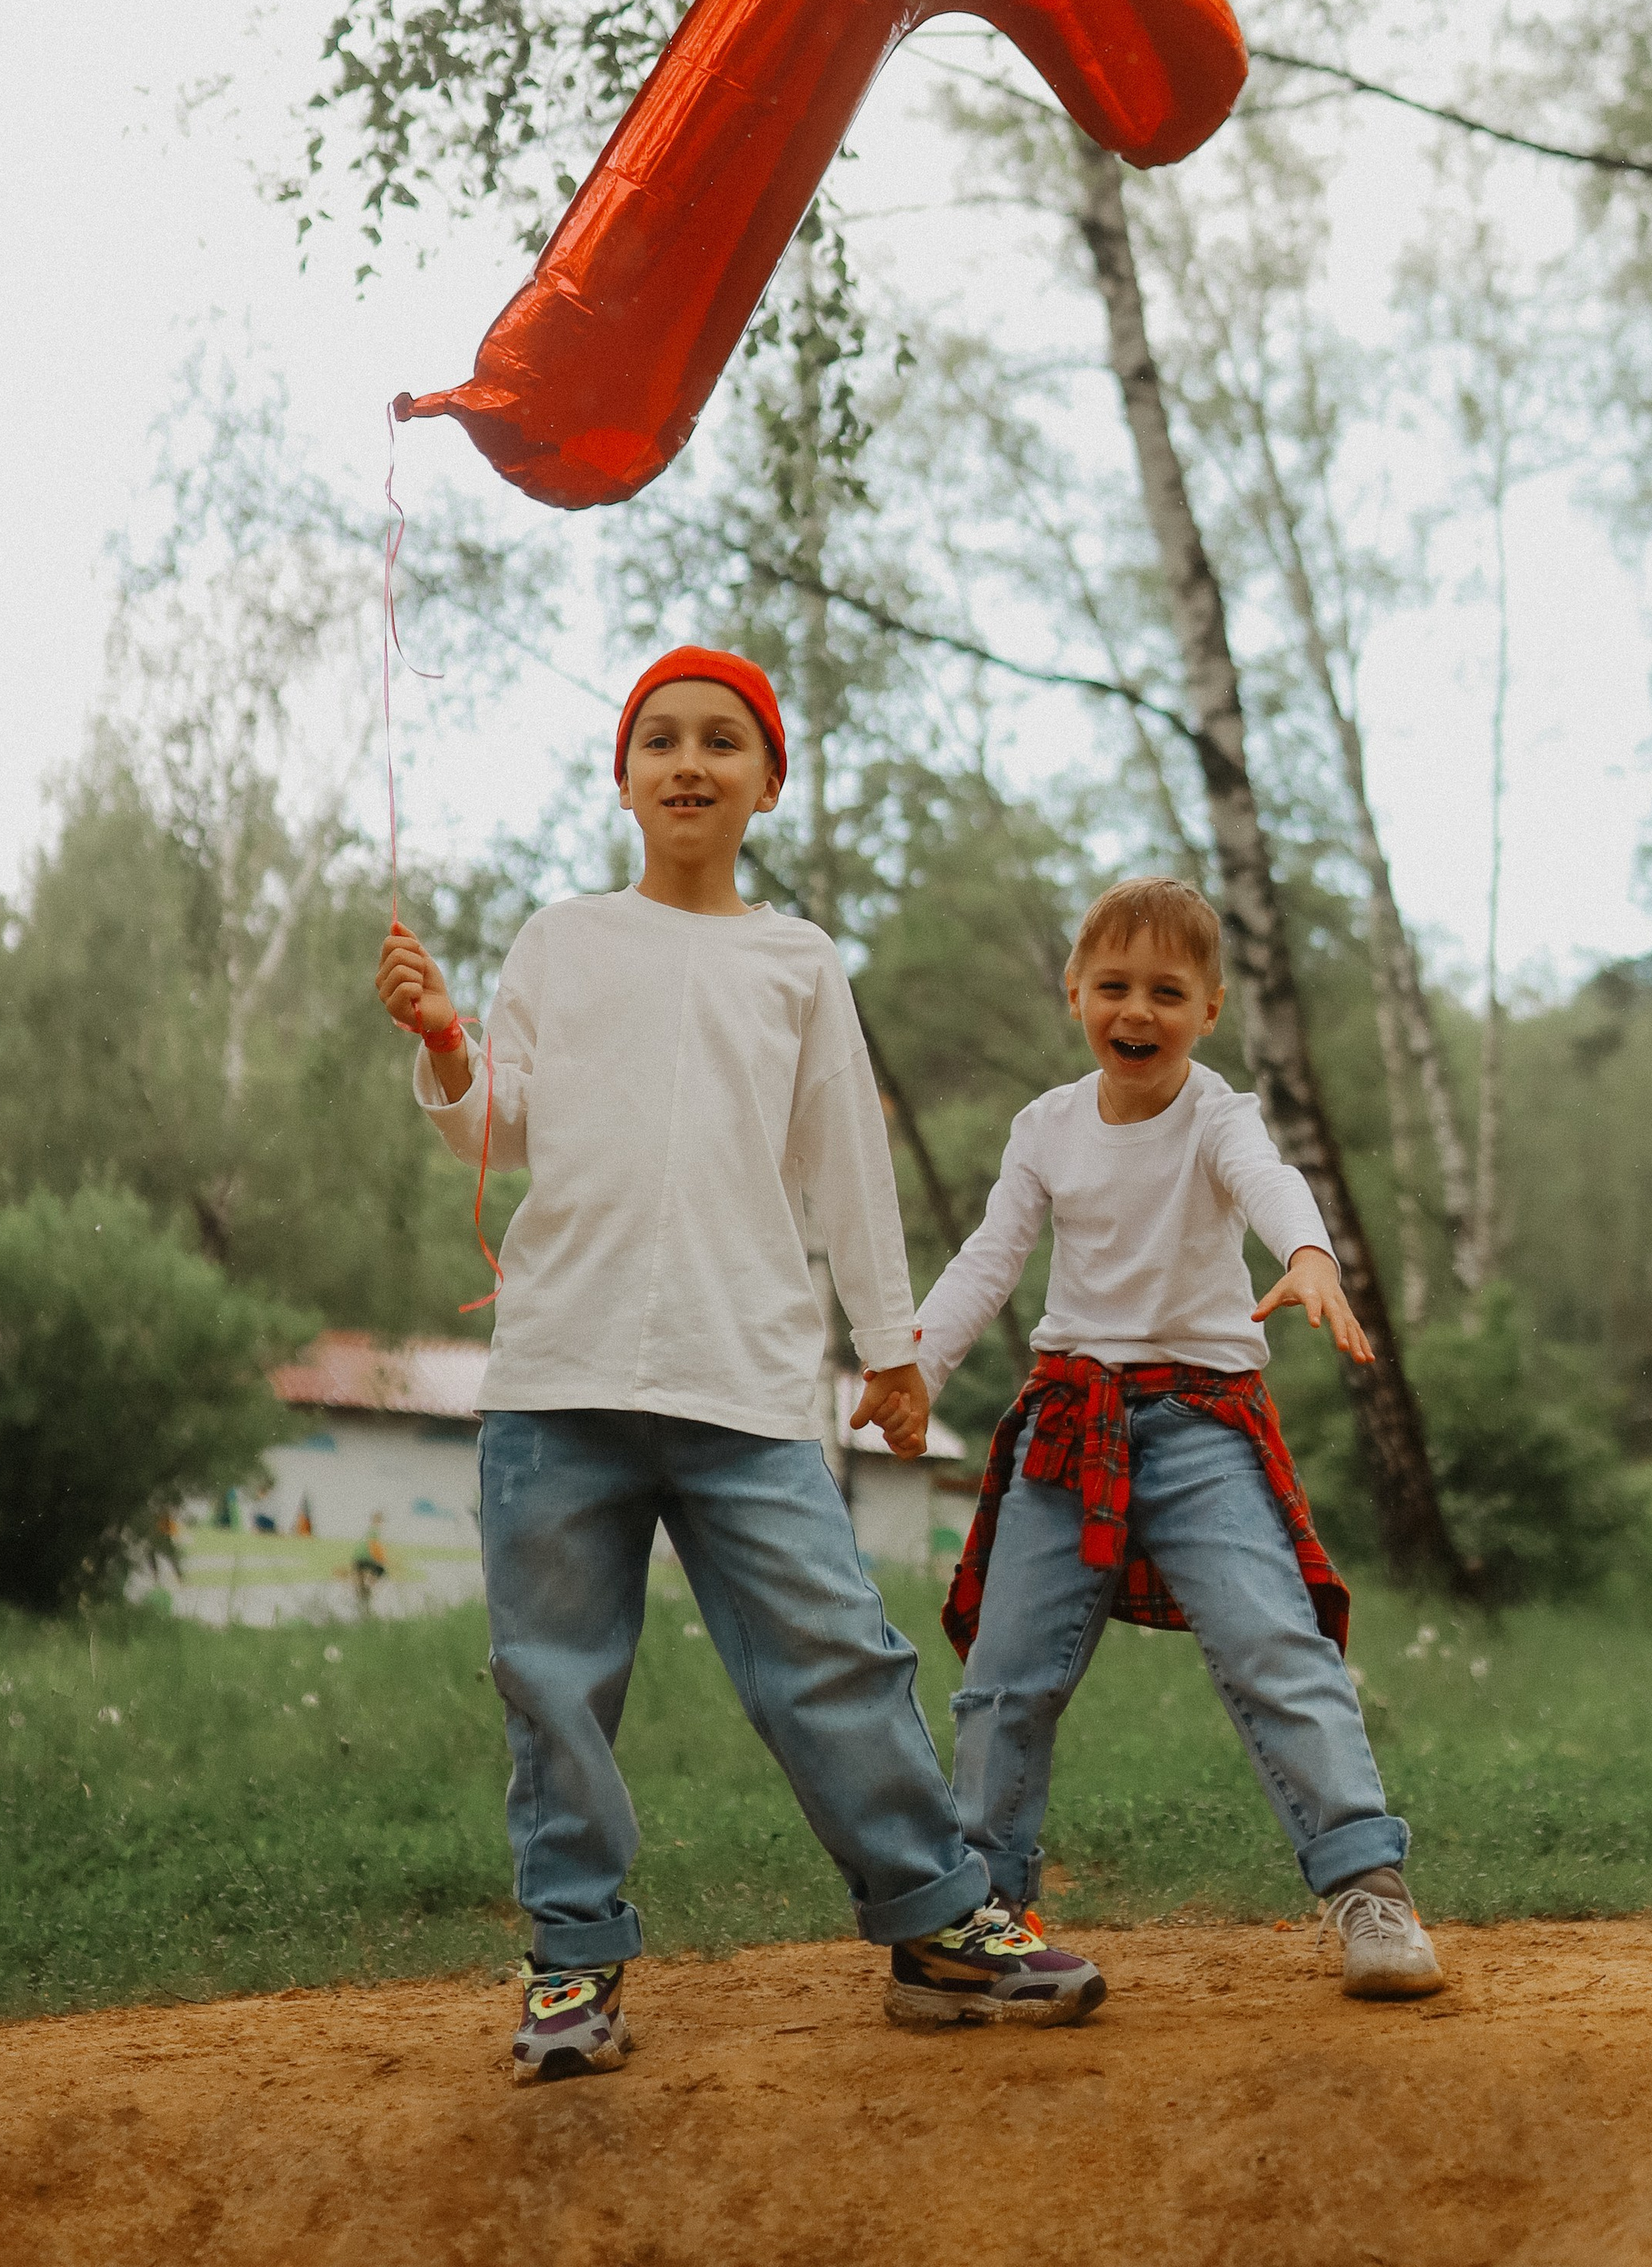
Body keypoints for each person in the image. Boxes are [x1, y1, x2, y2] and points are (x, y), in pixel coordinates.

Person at [375, 647, 1105, 2084]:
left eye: (723, 740)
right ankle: (572, 1966)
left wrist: (893, 1356)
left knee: (839, 1656)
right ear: (626, 778)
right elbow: (493, 1130)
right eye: (660, 739)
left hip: (746, 1380)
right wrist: (444, 1036)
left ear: (770, 780)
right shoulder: (561, 939)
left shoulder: (798, 962)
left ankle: (942, 1928)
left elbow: (849, 1170)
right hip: (557, 1382)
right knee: (556, 1685)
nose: (690, 762)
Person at [915, 874, 1445, 2002]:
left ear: (1209, 1011)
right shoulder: (1046, 1126)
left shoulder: (1218, 1115)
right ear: (1076, 996)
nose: (1137, 1012)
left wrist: (1308, 1258)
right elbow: (989, 1259)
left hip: (1202, 1424)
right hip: (1071, 1422)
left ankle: (1370, 1892)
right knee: (1005, 1680)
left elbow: (1271, 1184)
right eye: (1115, 987)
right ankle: (987, 1916)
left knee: (1278, 1648)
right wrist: (914, 1367)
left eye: (1167, 991)